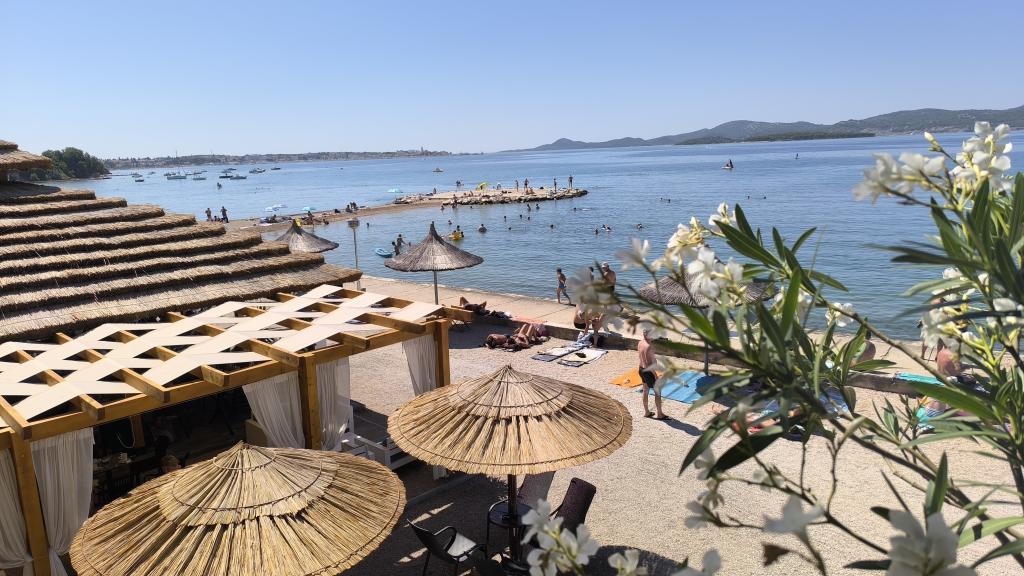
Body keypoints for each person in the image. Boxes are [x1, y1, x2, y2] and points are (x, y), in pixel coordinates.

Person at [639, 329, 667, 420]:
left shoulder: (640, 343)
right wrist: (655, 375)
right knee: (657, 392)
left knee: (645, 390)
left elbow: (642, 358)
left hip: (641, 369)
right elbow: (649, 365)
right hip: (648, 371)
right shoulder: (649, 347)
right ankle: (659, 414)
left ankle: (647, 412)